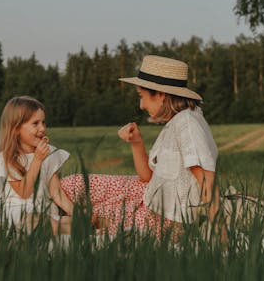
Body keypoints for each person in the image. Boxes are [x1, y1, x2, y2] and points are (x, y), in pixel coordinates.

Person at [60, 55, 220, 238]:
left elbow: (207, 180)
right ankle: (82, 218)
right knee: (72, 185)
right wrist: (137, 142)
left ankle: (75, 223)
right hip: (151, 197)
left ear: (161, 95)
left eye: (142, 96)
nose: (141, 105)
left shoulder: (187, 124)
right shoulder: (178, 121)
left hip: (165, 217)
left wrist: (220, 234)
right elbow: (147, 176)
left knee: (100, 226)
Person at [0, 96, 74, 235]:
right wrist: (37, 160)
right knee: (33, 221)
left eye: (43, 122)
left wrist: (76, 213)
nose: (42, 128)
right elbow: (24, 192)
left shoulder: (49, 153)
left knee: (62, 220)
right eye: (35, 123)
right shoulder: (10, 158)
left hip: (45, 211)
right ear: (16, 128)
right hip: (20, 212)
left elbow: (56, 192)